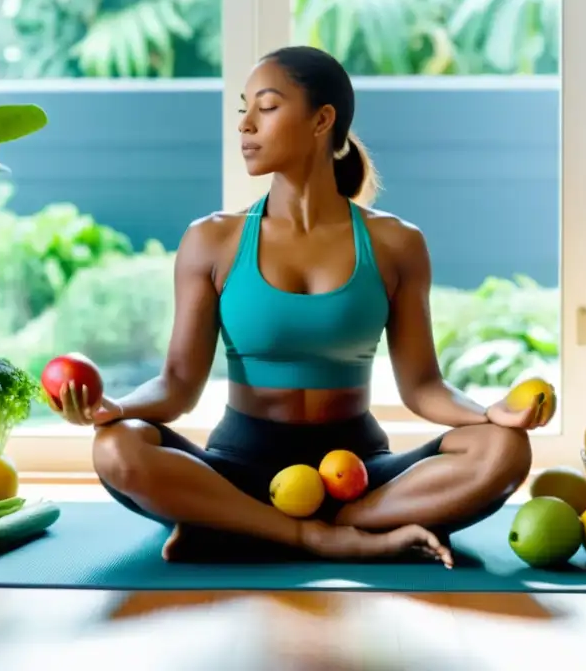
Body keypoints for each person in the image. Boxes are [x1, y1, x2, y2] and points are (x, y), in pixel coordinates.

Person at [52, 45, 546, 568]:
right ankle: (319, 538)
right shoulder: (213, 240)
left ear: (322, 120)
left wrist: (489, 414)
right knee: (115, 447)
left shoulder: (396, 243)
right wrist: (116, 410)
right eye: (244, 109)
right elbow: (177, 384)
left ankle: (246, 526)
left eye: (265, 107)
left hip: (355, 472)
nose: (244, 124)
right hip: (239, 468)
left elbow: (423, 386)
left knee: (505, 451)